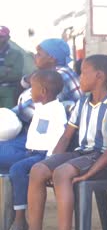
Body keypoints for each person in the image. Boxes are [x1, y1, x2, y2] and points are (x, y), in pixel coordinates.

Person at [5, 54, 107, 230]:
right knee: (38, 169)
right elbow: (66, 137)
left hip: (102, 157)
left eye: (83, 73)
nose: (79, 78)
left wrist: (89, 174)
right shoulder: (82, 103)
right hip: (80, 153)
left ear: (99, 76)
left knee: (61, 173)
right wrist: (50, 162)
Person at [3, 70, 67, 230]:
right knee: (5, 155)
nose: (30, 91)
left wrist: (49, 161)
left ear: (44, 92)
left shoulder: (57, 111)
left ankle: (19, 220)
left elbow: (59, 137)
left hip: (43, 156)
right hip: (29, 152)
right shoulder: (40, 107)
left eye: (33, 88)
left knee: (17, 169)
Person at [0, 38, 81, 170]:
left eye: (39, 54)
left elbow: (28, 110)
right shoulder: (48, 74)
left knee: (3, 152)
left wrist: (7, 117)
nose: (35, 56)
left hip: (45, 140)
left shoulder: (58, 77)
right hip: (36, 131)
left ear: (52, 57)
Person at [0, 26, 24, 108]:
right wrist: (5, 70)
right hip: (7, 86)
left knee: (6, 117)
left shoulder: (17, 54)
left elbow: (16, 75)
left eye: (1, 37)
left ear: (8, 37)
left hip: (8, 91)